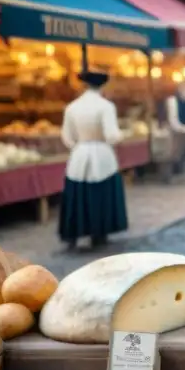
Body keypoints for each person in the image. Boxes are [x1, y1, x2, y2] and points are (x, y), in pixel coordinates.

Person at [58, 70, 128, 251]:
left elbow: (67, 137)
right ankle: (99, 234)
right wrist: (123, 134)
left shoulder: (72, 107)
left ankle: (73, 234)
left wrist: (78, 147)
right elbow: (112, 135)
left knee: (77, 194)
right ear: (103, 85)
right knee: (101, 193)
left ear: (84, 85)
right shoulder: (106, 106)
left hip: (80, 154)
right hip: (102, 154)